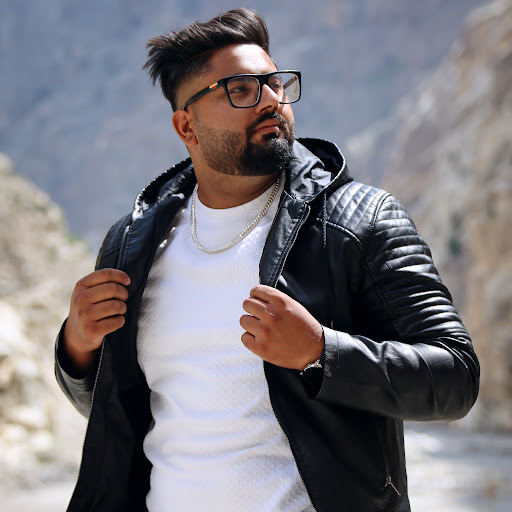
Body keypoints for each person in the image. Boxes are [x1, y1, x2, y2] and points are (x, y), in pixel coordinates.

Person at [55, 8, 479, 512]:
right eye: (241, 90)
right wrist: (77, 347)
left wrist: (322, 352)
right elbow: (116, 413)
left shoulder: (361, 221)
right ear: (187, 126)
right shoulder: (131, 245)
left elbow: (456, 378)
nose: (272, 101)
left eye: (275, 84)